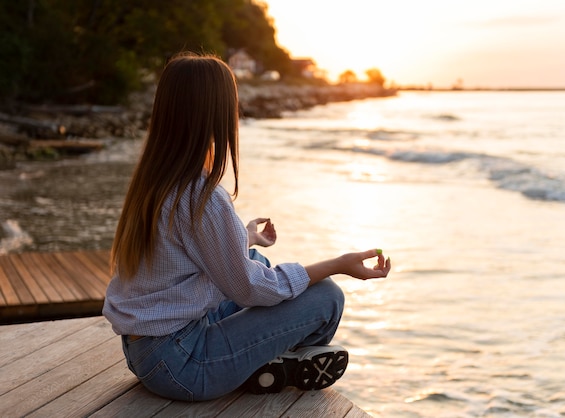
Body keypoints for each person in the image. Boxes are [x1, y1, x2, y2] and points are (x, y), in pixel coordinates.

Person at [102, 52, 391, 402]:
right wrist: (338, 265)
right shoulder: (200, 195)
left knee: (257, 258)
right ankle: (277, 361)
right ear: (217, 115)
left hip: (143, 351)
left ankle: (263, 359)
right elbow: (251, 289)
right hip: (184, 366)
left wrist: (245, 236)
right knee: (326, 297)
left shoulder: (153, 178)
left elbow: (181, 255)